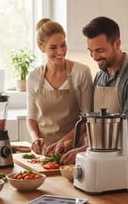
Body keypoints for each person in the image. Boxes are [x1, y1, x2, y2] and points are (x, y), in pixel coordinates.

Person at [49, 16, 128, 187]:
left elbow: (126, 131)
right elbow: (90, 120)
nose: (94, 57)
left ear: (117, 44)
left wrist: (84, 151)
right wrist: (67, 140)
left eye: (99, 50)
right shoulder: (101, 75)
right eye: (90, 51)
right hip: (100, 167)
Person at [26, 18, 93, 155]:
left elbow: (88, 119)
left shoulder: (81, 73)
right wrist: (35, 139)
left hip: (73, 151)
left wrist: (63, 142)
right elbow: (32, 117)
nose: (60, 51)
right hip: (45, 153)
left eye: (63, 45)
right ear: (41, 47)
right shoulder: (34, 77)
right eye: (53, 47)